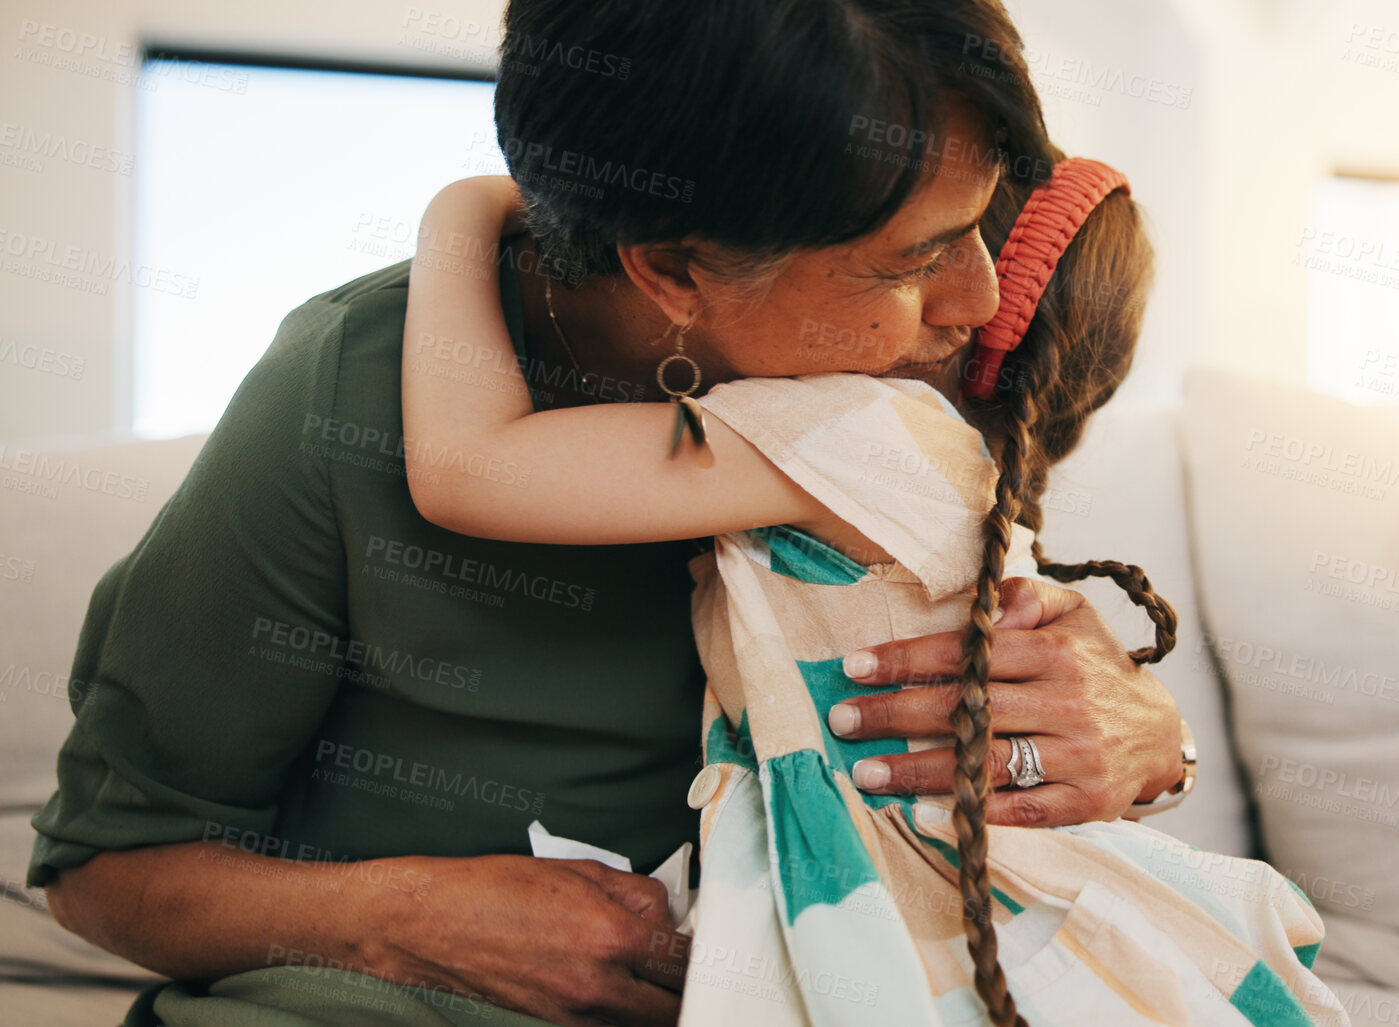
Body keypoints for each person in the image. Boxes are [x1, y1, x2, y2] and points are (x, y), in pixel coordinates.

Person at [27, 3, 1193, 1025]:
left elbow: (1037, 715)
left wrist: (1149, 743)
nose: (974, 309)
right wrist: (407, 914)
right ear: (673, 270)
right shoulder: (355, 388)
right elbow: (104, 870)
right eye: (911, 264)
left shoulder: (909, 390)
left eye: (980, 231)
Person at [397, 112, 1346, 1027]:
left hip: (921, 907)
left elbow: (469, 469)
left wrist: (466, 209)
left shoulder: (855, 432)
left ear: (949, 309)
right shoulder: (955, 473)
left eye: (913, 245)